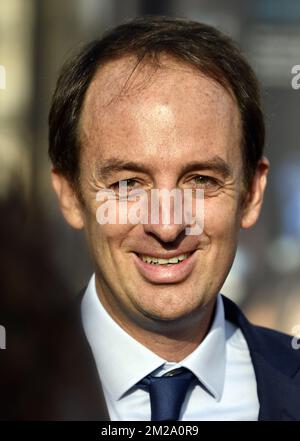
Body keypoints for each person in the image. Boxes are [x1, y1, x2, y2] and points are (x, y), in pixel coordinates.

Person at [5, 15, 300, 421]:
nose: (166, 225)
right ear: (70, 195)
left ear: (251, 194)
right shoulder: (16, 386)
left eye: (201, 180)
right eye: (128, 184)